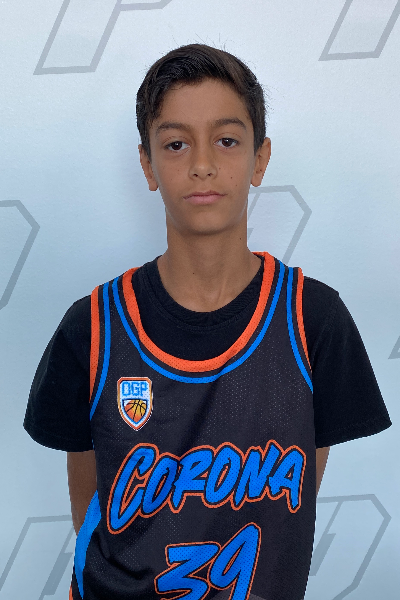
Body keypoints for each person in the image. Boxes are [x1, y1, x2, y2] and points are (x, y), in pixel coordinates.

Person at [23, 44, 392, 600]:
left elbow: (293, 506)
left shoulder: (313, 320)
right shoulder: (92, 328)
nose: (202, 164)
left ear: (260, 159)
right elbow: (90, 506)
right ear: (147, 164)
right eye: (176, 144)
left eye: (226, 140)